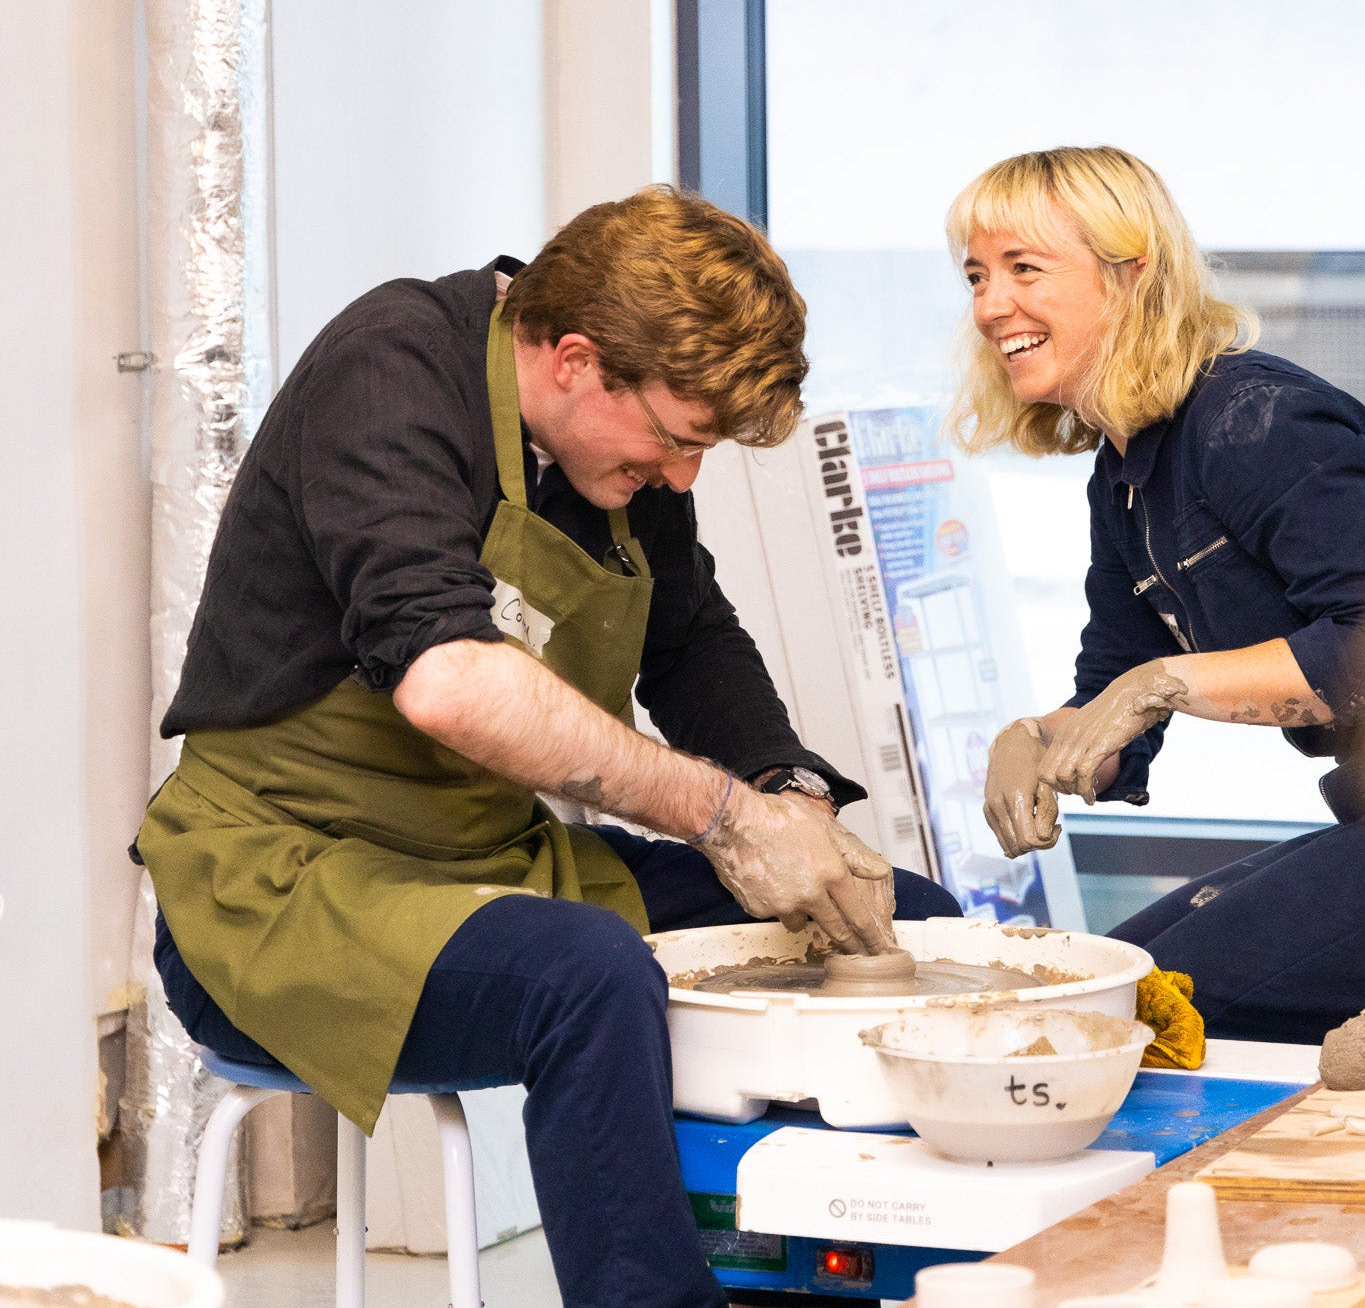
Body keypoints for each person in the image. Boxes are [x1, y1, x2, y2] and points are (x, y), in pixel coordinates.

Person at [135, 184, 961, 1308]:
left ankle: (853, 1275)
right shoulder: (389, 376)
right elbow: (449, 681)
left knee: (901, 915)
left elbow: (689, 639)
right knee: (588, 978)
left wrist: (790, 796)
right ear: (574, 358)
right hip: (276, 889)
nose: (681, 478)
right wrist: (725, 819)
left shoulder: (612, 456)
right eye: (675, 442)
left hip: (487, 866)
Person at [947, 145, 1365, 1050]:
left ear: (1130, 276)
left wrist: (1163, 682)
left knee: (1150, 1008)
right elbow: (1114, 682)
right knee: (1105, 976)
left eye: (1024, 269)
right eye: (976, 275)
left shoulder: (1255, 423)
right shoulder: (1126, 474)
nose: (989, 306)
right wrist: (1040, 740)